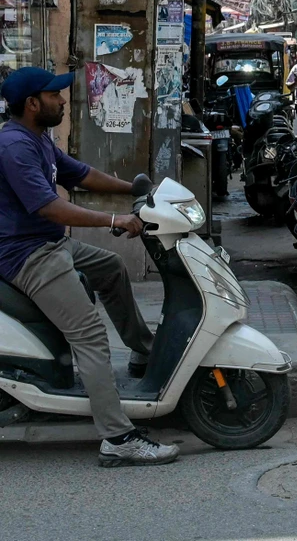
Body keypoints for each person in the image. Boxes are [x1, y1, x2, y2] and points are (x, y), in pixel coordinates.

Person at [0, 68, 178, 466]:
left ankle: (143, 352)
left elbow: (81, 174)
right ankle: (118, 437)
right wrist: (113, 220)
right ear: (32, 104)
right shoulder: (14, 146)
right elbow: (49, 206)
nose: (63, 100)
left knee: (111, 267)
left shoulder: (38, 139)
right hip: (27, 255)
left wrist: (136, 188)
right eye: (54, 95)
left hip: (48, 242)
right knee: (90, 335)